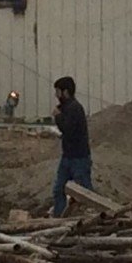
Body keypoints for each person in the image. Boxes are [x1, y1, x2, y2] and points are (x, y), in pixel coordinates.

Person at [51, 76, 92, 217]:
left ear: (65, 92)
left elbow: (67, 129)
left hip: (79, 158)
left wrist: (58, 117)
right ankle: (59, 218)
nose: (56, 95)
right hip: (68, 156)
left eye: (58, 91)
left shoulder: (74, 108)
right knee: (59, 190)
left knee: (85, 193)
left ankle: (90, 219)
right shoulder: (67, 108)